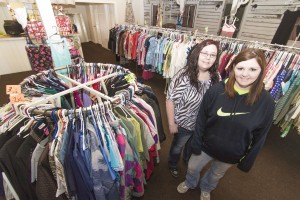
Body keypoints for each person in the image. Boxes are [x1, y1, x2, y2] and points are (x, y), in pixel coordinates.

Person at [176, 48, 275, 200]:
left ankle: (206, 188)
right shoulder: (216, 91)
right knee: (192, 167)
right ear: (233, 67)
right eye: (240, 67)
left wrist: (247, 160)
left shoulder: (266, 102)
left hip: (232, 153)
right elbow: (201, 119)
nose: (245, 74)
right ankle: (190, 182)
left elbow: (261, 136)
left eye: (253, 69)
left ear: (261, 71)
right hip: (205, 146)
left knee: (215, 175)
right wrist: (196, 142)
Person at [166, 39, 221, 178]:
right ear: (197, 53)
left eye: (212, 55)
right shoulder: (183, 76)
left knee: (192, 146)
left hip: (202, 125)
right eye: (205, 53)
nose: (208, 57)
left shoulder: (216, 77)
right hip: (183, 124)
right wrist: (172, 123)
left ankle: (187, 160)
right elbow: (170, 100)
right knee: (178, 147)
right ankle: (173, 163)